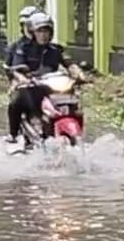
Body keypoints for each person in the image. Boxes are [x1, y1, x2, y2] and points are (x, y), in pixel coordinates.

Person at [5, 11, 73, 153]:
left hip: (51, 88)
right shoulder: (22, 48)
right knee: (16, 101)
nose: (43, 34)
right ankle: (13, 135)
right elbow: (16, 68)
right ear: (32, 32)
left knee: (72, 99)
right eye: (40, 31)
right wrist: (22, 78)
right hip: (31, 87)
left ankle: (71, 132)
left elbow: (69, 64)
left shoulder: (56, 50)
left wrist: (79, 73)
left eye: (46, 31)